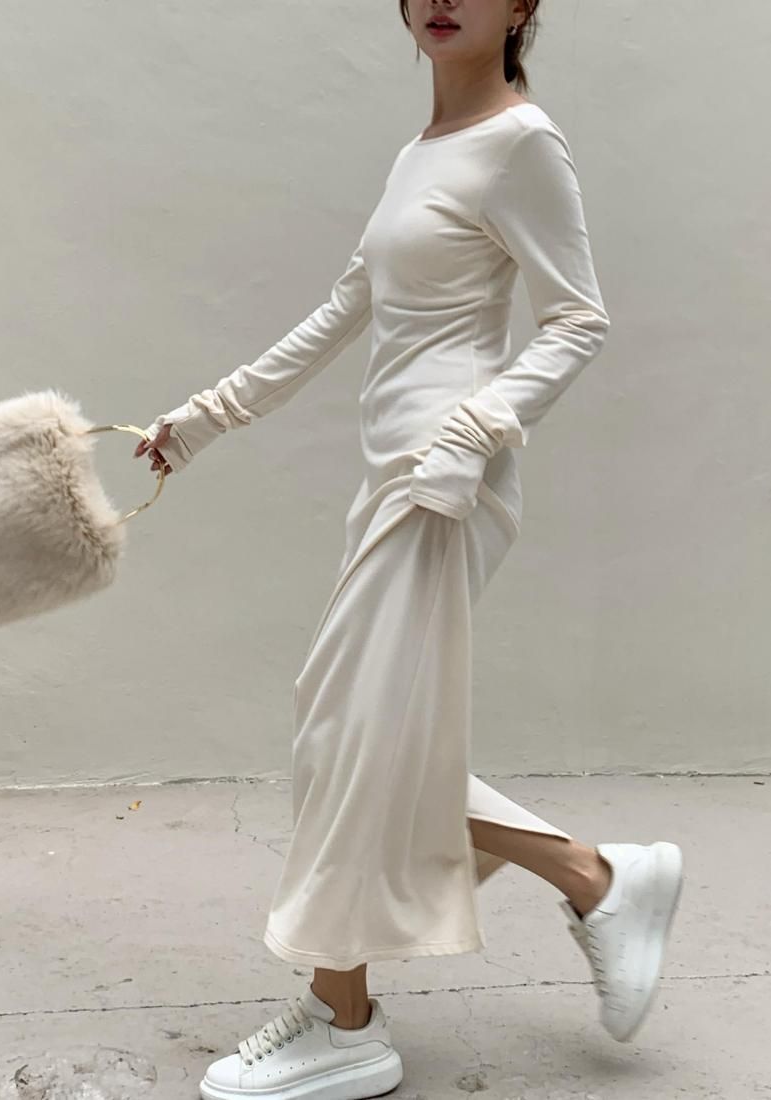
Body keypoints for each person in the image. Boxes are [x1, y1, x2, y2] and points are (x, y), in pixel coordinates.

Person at [137, 3, 684, 1097]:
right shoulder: (423, 151)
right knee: (351, 735)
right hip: (390, 475)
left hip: (445, 481)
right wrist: (202, 419)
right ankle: (596, 877)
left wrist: (477, 430)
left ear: (522, 6)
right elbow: (346, 306)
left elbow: (579, 317)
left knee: (352, 742)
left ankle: (343, 1019)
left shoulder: (522, 142)